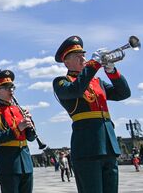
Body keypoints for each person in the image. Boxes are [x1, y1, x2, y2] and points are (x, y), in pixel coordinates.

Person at [53, 35, 131, 193]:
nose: (83, 58)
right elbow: (76, 90)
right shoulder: (62, 82)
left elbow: (123, 93)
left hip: (108, 146)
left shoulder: (97, 82)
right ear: (66, 62)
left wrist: (112, 71)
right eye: (77, 56)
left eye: (83, 54)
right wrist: (94, 65)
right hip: (87, 147)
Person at [0, 70, 35, 193]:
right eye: (6, 87)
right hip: (8, 164)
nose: (11, 90)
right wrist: (18, 128)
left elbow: (31, 138)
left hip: (26, 162)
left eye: (12, 87)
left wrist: (31, 123)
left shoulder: (20, 109)